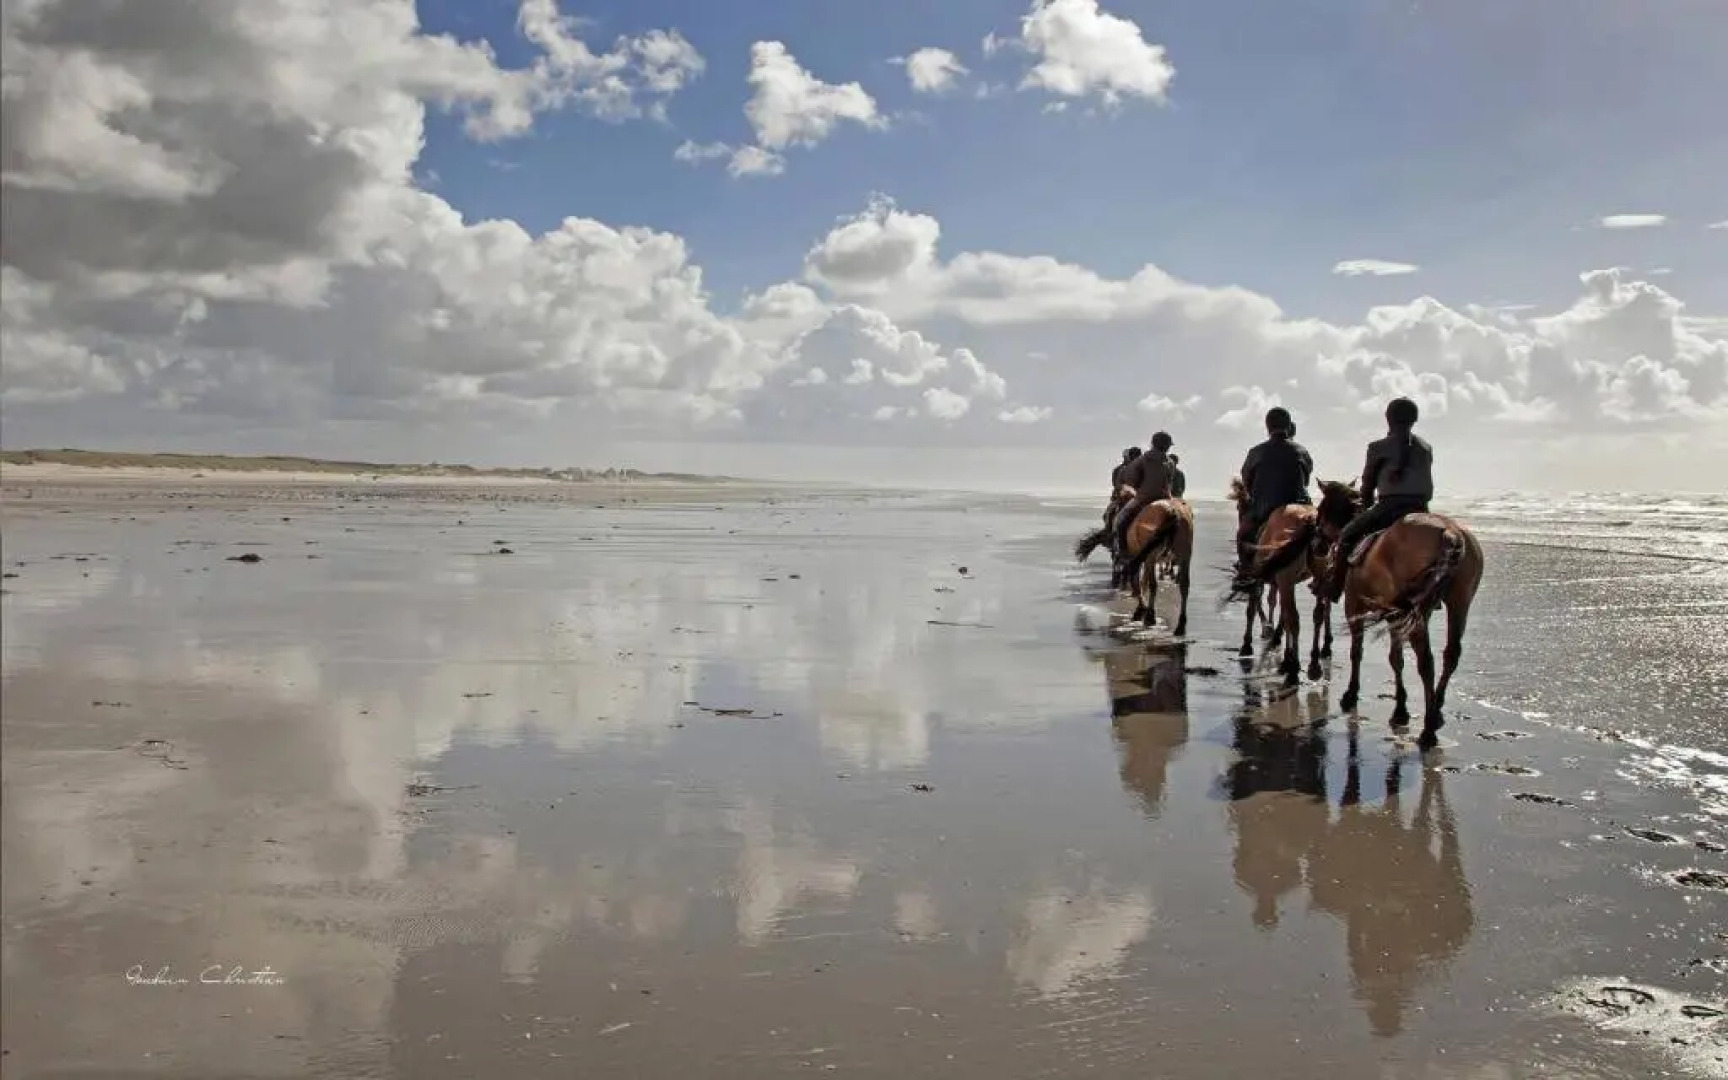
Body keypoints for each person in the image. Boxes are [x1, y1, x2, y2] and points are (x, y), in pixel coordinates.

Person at [1322, 397, 1434, 602]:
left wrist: (1366, 507)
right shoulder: (1426, 447)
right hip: (1421, 509)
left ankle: (1335, 588)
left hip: (1390, 507)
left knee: (1346, 535)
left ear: (1388, 419)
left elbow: (1368, 485)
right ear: (1414, 420)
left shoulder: (1377, 447)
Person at [1235, 407, 1313, 580]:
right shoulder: (1302, 450)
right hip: (1300, 504)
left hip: (1265, 508)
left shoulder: (1256, 452)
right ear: (1289, 426)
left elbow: (1246, 481)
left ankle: (1246, 571)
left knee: (1242, 534)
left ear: (1267, 427)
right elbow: (1306, 480)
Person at [1112, 431, 1175, 556]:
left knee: (1120, 520)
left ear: (1153, 444)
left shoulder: (1142, 460)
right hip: (1166, 499)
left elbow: (1131, 480)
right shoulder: (1171, 462)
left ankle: (1123, 551)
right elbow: (1169, 482)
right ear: (1167, 446)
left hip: (1144, 498)